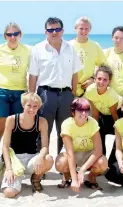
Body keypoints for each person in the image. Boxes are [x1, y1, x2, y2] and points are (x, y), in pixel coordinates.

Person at [28, 17, 83, 154]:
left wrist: (73, 94)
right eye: (51, 30)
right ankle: (41, 165)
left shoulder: (70, 49)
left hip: (66, 94)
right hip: (45, 94)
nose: (54, 32)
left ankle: (63, 164)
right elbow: (33, 75)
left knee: (65, 130)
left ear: (62, 31)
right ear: (45, 32)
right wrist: (31, 96)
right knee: (43, 129)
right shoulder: (38, 49)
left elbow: (75, 73)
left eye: (57, 29)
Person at [1, 92, 54, 198]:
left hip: (31, 158)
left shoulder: (42, 122)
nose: (32, 109)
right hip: (15, 159)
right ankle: (16, 181)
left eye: (35, 106)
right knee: (9, 193)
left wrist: (40, 156)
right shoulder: (11, 120)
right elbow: (5, 147)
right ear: (23, 105)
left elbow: (45, 146)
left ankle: (35, 178)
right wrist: (9, 169)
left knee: (48, 159)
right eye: (29, 105)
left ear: (38, 107)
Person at [0, 23, 31, 139]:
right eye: (9, 34)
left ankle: (11, 156)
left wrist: (31, 92)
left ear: (20, 35)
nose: (13, 37)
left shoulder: (27, 50)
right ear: (5, 36)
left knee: (17, 126)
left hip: (20, 92)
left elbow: (32, 72)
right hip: (0, 92)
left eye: (16, 34)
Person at [55, 98, 108, 192]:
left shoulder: (93, 123)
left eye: (86, 110)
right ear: (73, 112)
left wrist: (83, 169)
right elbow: (70, 153)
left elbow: (98, 150)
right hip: (73, 153)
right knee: (60, 164)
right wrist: (75, 179)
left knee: (103, 163)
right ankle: (68, 177)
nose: (84, 114)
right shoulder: (67, 124)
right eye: (80, 110)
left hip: (88, 153)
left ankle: (91, 177)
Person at [83, 64, 120, 156]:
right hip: (103, 114)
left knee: (119, 133)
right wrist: (94, 128)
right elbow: (95, 113)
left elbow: (114, 115)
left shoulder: (111, 95)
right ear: (94, 79)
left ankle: (113, 161)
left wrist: (120, 130)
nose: (101, 82)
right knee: (97, 130)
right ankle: (100, 156)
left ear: (109, 82)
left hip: (118, 114)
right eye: (99, 78)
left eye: (105, 80)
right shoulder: (90, 91)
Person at [69, 16, 107, 97]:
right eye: (81, 28)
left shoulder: (95, 46)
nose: (84, 31)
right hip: (70, 89)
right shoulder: (68, 45)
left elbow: (104, 67)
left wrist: (94, 79)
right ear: (75, 28)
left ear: (90, 29)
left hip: (88, 89)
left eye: (86, 29)